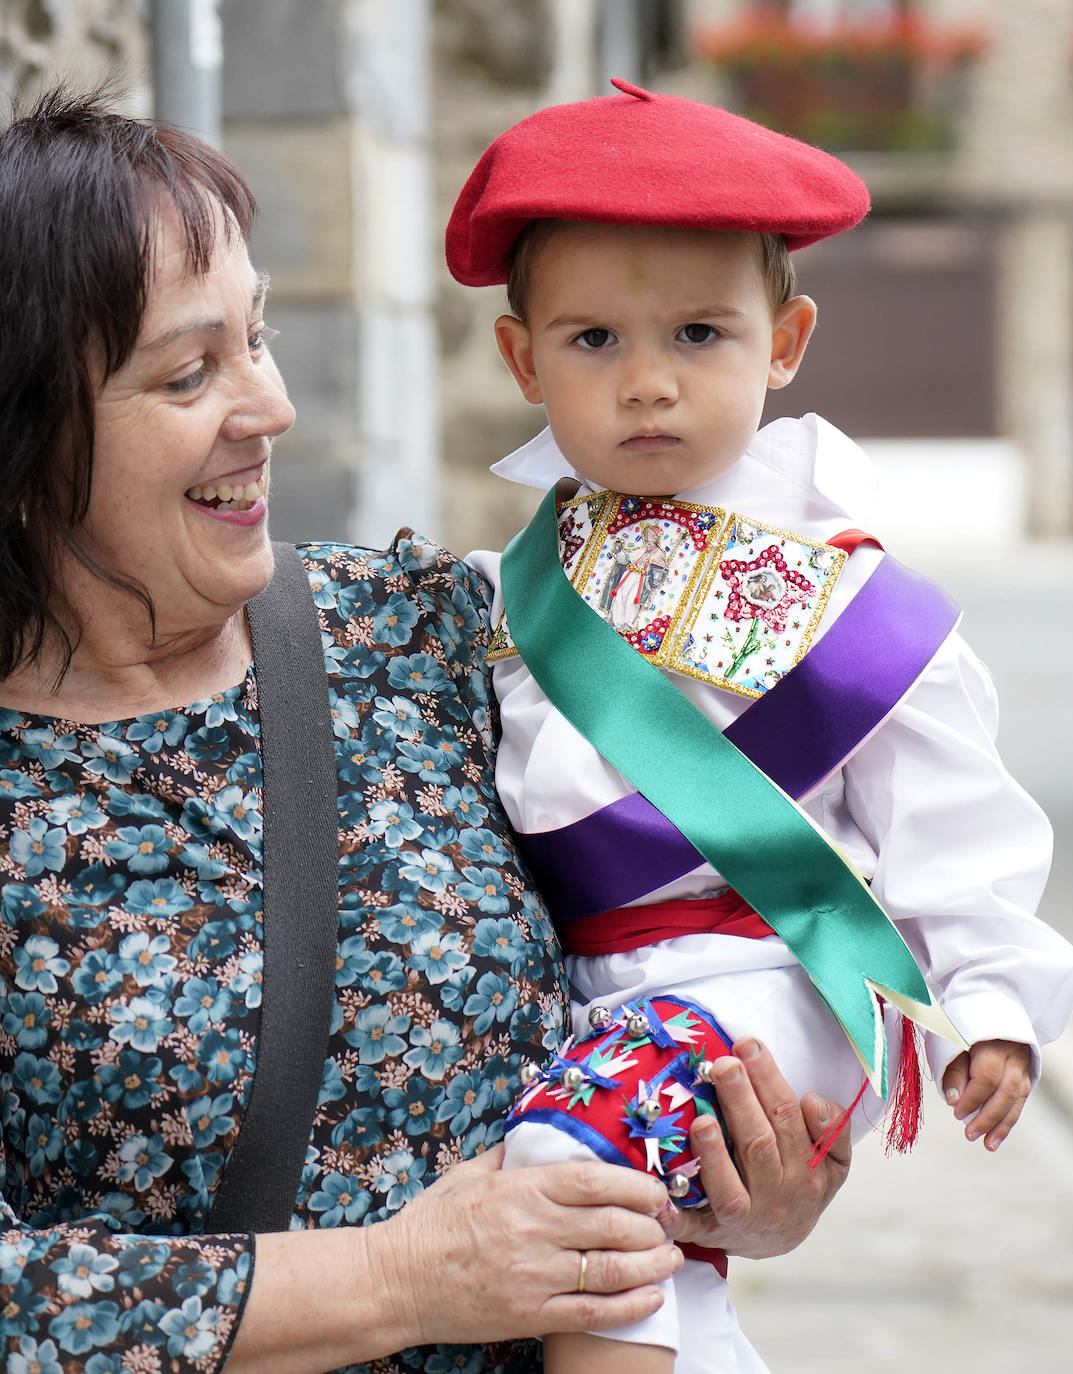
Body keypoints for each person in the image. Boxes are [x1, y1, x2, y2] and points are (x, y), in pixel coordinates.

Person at [0, 87, 859, 1374]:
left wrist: (765, 1177)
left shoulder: (434, 631)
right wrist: (401, 1280)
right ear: (26, 438)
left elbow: (731, 906)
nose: (270, 406)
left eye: (259, 337)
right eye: (189, 372)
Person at [446, 81, 1073, 1374]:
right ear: (520, 360)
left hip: (766, 974)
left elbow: (948, 813)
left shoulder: (837, 587)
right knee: (647, 1260)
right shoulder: (509, 585)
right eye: (589, 341)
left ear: (782, 338)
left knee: (568, 1165)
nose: (645, 384)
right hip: (594, 991)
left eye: (696, 333)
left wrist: (992, 1000)